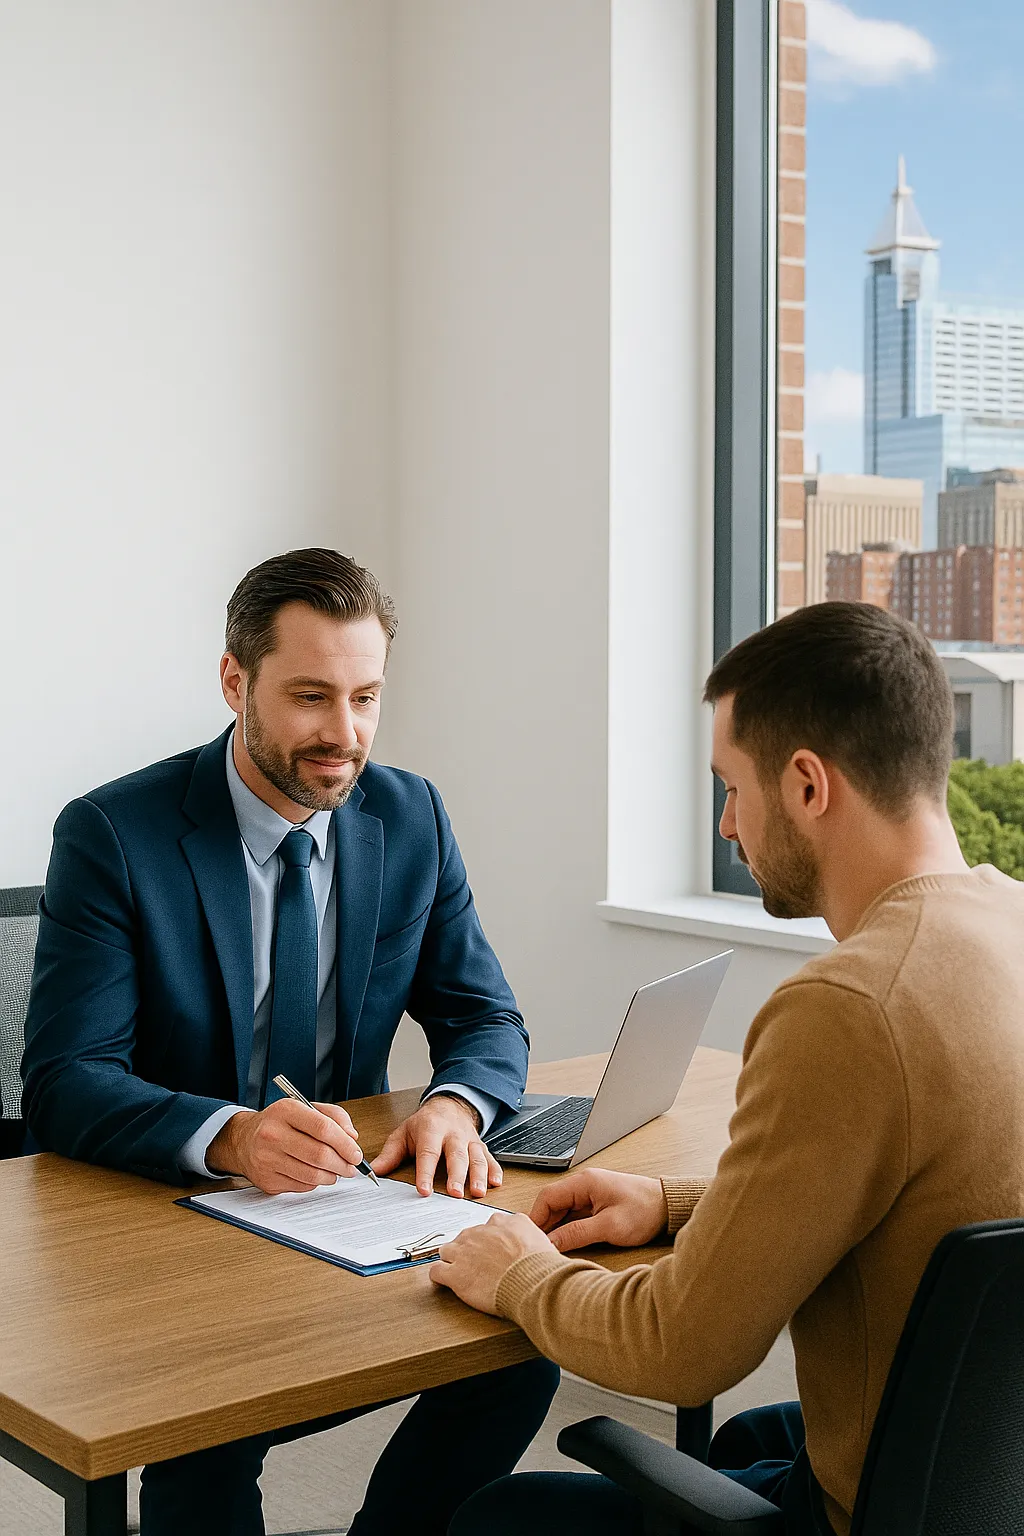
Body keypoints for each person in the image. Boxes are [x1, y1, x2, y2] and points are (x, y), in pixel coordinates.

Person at [431, 602, 1024, 1536]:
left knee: (500, 1516)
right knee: (746, 1442)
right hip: (990, 1471)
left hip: (884, 1508)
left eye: (732, 788)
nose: (725, 825)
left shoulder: (851, 1006)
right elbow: (918, 1195)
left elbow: (680, 1349)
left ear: (806, 786)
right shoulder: (1008, 924)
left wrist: (520, 1275)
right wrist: (670, 1206)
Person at [21, 548, 558, 1536]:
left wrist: (453, 1103)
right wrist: (229, 1135)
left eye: (365, 697)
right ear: (235, 681)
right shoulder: (113, 833)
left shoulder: (410, 816)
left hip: (344, 1214)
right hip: (170, 1231)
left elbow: (484, 1015)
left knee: (527, 1335)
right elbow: (62, 1081)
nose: (343, 735)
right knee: (208, 1446)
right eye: (311, 697)